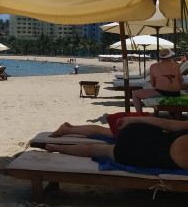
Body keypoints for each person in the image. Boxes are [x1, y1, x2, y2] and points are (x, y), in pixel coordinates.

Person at [47, 115, 188, 170]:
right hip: (138, 155)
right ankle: (56, 147)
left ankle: (67, 131)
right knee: (95, 150)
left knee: (104, 132)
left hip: (139, 133)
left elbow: (166, 123)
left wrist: (134, 119)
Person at [131, 48, 182, 112]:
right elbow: (181, 81)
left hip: (162, 93)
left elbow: (153, 84)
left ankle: (140, 114)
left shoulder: (154, 66)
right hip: (176, 93)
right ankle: (156, 113)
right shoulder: (176, 66)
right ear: (170, 57)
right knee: (156, 90)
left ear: (160, 57)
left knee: (135, 94)